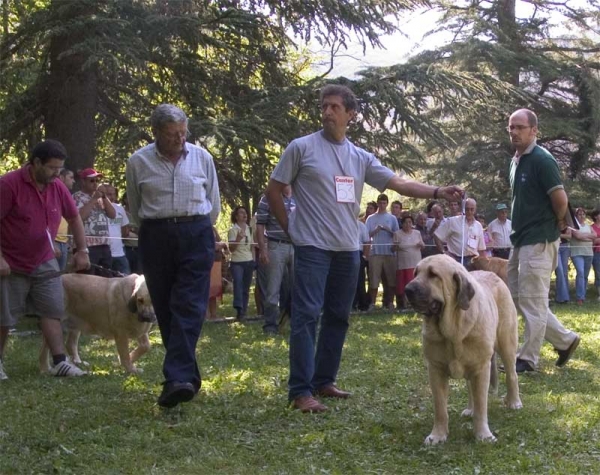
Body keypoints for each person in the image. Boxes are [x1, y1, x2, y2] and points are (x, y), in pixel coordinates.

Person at [265, 84, 462, 413]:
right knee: (306, 316)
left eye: (334, 107)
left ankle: (324, 381)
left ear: (350, 115)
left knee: (339, 316)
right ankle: (300, 391)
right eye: (324, 106)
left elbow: (398, 182)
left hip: (348, 248)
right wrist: (292, 229)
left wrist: (438, 191)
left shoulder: (359, 157)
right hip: (312, 246)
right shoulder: (301, 148)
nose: (327, 111)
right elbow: (273, 191)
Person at [126, 103, 220, 408]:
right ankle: (186, 378)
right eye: (171, 135)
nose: (179, 139)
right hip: (155, 236)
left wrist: (200, 227)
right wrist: (155, 230)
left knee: (189, 304)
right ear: (155, 133)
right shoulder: (138, 162)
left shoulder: (202, 157)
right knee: (166, 309)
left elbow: (213, 203)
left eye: (183, 133)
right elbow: (135, 207)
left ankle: (175, 377)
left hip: (196, 232)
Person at [0, 140, 90, 380]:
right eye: (52, 168)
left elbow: (74, 218)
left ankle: (60, 362)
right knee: (4, 316)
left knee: (53, 310)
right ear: (36, 163)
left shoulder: (57, 187)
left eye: (60, 169)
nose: (56, 174)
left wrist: (82, 250)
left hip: (44, 261)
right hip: (10, 262)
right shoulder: (9, 184)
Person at [506, 108, 580, 373]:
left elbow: (560, 199)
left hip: (539, 240)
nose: (514, 132)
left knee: (533, 300)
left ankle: (527, 359)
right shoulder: (516, 161)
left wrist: (560, 222)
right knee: (517, 298)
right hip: (520, 239)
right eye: (511, 127)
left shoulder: (542, 159)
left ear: (534, 130)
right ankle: (566, 340)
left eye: (520, 127)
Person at [256, 186, 296, 335]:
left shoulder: (299, 196)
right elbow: (260, 224)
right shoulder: (268, 198)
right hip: (275, 245)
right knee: (273, 288)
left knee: (298, 287)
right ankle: (270, 325)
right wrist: (263, 249)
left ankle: (295, 322)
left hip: (297, 246)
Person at [73, 168, 116, 275]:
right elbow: (80, 217)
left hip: (104, 245)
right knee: (87, 280)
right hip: (87, 247)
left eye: (97, 180)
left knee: (106, 279)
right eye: (92, 181)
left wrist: (104, 197)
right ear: (83, 181)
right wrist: (93, 200)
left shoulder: (101, 197)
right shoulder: (76, 197)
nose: (95, 183)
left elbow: (112, 215)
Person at [365, 193, 398, 310]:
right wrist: (376, 230)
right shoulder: (370, 218)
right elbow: (366, 235)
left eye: (384, 203)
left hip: (390, 253)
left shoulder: (392, 218)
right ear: (377, 203)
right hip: (375, 252)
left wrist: (387, 229)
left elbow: (397, 235)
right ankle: (372, 304)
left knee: (391, 280)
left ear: (387, 204)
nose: (382, 205)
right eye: (380, 203)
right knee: (374, 279)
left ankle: (390, 303)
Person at [434, 198, 486, 267]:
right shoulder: (452, 221)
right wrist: (444, 252)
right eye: (467, 209)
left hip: (473, 261)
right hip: (455, 260)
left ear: (475, 209)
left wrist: (484, 264)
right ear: (463, 209)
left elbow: (481, 249)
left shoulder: (478, 225)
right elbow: (437, 236)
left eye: (472, 209)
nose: (469, 212)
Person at [228, 206, 255, 321]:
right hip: (237, 262)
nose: (244, 215)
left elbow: (252, 246)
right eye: (241, 213)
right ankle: (239, 309)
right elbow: (231, 249)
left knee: (246, 287)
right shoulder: (232, 230)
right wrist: (238, 238)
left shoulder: (249, 229)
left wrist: (253, 260)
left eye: (245, 213)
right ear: (236, 216)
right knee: (238, 284)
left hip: (248, 261)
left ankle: (244, 311)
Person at [393, 214, 424, 310]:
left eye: (410, 222)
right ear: (402, 224)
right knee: (403, 285)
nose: (408, 224)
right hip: (402, 264)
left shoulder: (417, 233)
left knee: (414, 284)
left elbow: (423, 246)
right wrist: (396, 246)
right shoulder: (397, 234)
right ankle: (403, 305)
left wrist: (421, 244)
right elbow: (393, 248)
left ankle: (414, 304)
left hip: (415, 263)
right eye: (406, 222)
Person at [100, 184, 131, 275]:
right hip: (105, 254)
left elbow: (125, 230)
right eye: (109, 194)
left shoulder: (120, 209)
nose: (112, 197)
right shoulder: (98, 208)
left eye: (114, 194)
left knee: (126, 279)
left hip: (120, 253)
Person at [569, 208, 595, 305]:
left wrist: (584, 236)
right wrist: (589, 237)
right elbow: (578, 237)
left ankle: (582, 296)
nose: (582, 216)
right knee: (580, 272)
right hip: (577, 253)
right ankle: (580, 298)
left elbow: (595, 236)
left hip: (588, 253)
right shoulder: (573, 226)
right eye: (579, 214)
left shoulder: (589, 226)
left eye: (583, 214)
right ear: (575, 216)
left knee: (585, 275)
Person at [54, 168, 75, 271]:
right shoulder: (52, 194)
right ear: (61, 178)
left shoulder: (68, 196)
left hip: (64, 242)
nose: (73, 181)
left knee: (61, 278)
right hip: (53, 242)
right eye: (70, 177)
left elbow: (73, 220)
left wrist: (70, 242)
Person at [207, 227, 228, 321]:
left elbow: (219, 241)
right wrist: (221, 244)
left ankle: (213, 314)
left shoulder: (213, 229)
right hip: (206, 262)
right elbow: (214, 245)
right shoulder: (201, 228)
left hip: (216, 262)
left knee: (214, 290)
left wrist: (223, 245)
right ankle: (204, 315)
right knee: (205, 290)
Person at [353, 217, 371, 312]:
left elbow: (367, 241)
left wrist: (364, 257)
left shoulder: (361, 225)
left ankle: (362, 304)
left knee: (360, 280)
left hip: (358, 253)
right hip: (344, 252)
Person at [554, 227, 572, 304]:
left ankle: (563, 298)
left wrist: (558, 234)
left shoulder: (566, 222)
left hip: (565, 246)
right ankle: (563, 297)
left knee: (564, 273)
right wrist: (563, 235)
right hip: (555, 246)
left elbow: (569, 236)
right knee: (560, 271)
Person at [591, 209, 600, 301]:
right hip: (597, 252)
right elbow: (593, 241)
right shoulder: (592, 227)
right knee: (598, 273)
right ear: (595, 216)